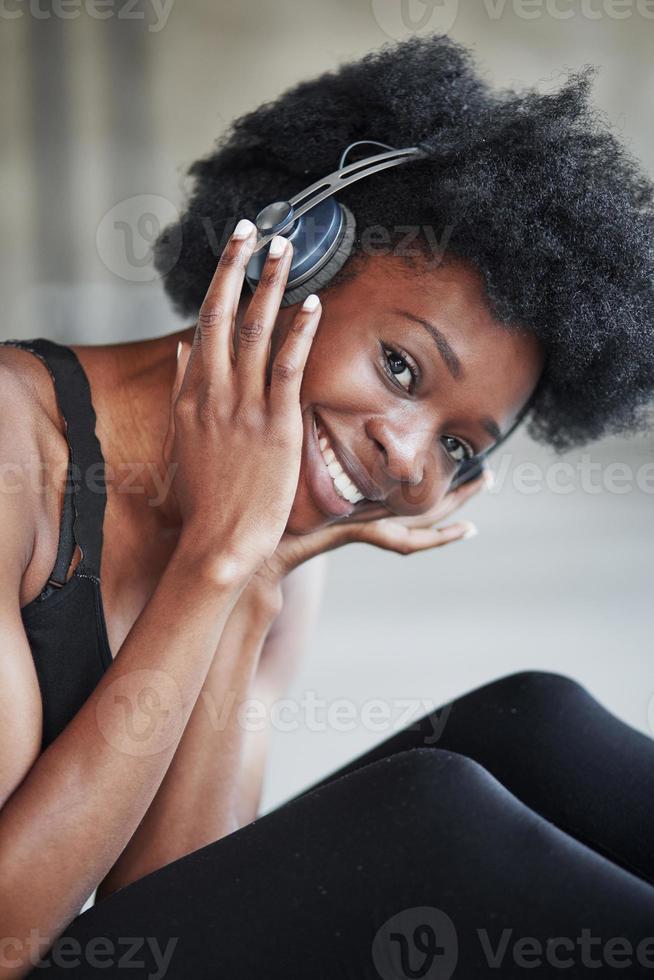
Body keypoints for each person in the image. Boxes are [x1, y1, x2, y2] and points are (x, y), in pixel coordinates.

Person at [0, 34, 653, 979]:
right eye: (400, 365)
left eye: (457, 446)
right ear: (285, 262)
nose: (403, 451)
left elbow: (187, 914)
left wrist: (252, 573)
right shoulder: (17, 453)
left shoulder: (268, 533)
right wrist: (216, 561)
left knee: (536, 722)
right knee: (435, 819)